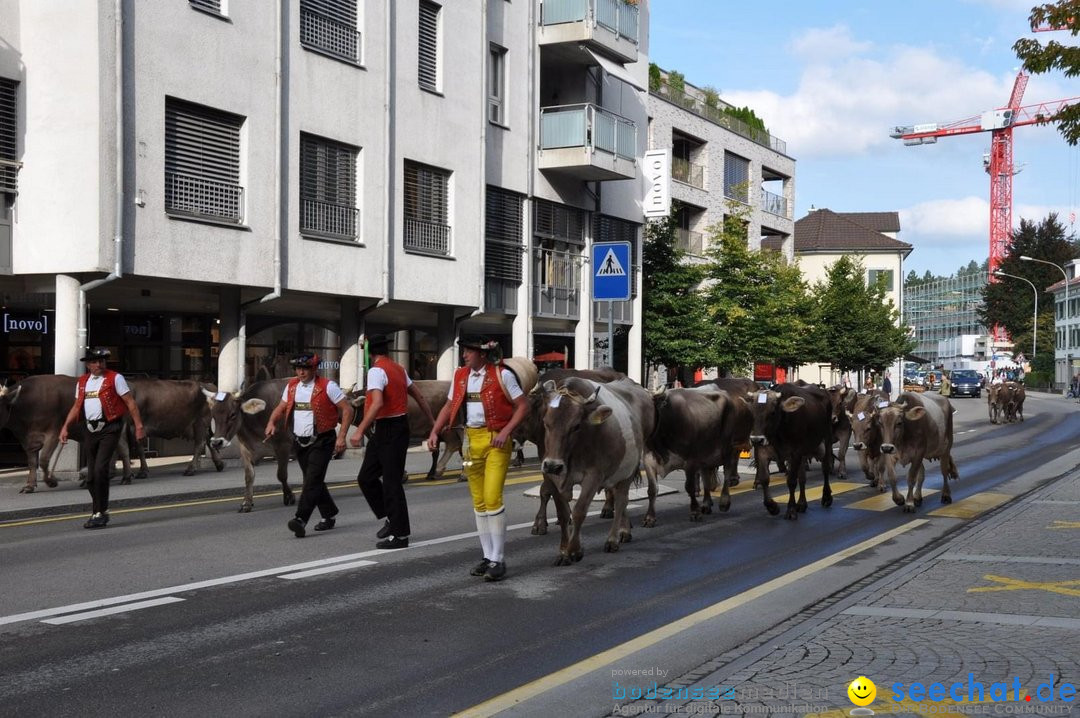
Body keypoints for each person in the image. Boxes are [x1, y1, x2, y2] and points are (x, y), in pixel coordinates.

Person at [427, 336, 529, 582]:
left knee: (493, 498)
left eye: (468, 352)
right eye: (464, 352)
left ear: (482, 353)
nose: (464, 356)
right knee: (479, 501)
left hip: (496, 440)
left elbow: (523, 405)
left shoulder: (502, 375)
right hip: (471, 440)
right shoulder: (460, 375)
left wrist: (505, 432)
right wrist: (434, 430)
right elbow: (450, 406)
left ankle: (499, 559)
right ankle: (488, 556)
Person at [348, 334, 434, 549]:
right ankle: (390, 517)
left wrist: (359, 430)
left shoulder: (376, 371)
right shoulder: (399, 369)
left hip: (390, 428)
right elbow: (419, 396)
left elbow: (376, 403)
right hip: (394, 428)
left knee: (391, 482)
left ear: (369, 352)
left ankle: (400, 534)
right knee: (366, 477)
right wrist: (433, 422)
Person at [265, 351, 354, 539]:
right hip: (300, 441)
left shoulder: (328, 386)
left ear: (314, 369)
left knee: (311, 480)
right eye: (298, 369)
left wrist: (342, 437)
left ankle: (300, 519)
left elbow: (347, 410)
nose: (301, 372)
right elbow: (281, 408)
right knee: (314, 480)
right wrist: (271, 423)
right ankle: (329, 514)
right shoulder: (291, 387)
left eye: (305, 369)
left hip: (322, 440)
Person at [59, 347, 146, 529]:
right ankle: (98, 510)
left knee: (100, 469)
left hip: (110, 427)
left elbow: (130, 403)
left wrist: (138, 426)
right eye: (95, 362)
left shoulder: (116, 378)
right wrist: (65, 427)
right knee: (91, 477)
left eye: (102, 361)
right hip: (89, 429)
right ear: (88, 364)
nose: (99, 364)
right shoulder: (82, 382)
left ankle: (100, 512)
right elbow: (76, 407)